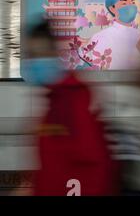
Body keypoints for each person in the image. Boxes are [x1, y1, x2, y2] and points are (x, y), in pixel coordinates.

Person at [23, 20, 117, 196]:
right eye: (30, 55)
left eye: (39, 54)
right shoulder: (52, 102)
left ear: (54, 54)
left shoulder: (75, 98)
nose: (33, 62)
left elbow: (96, 165)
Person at [90, 0, 140, 69]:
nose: (130, 7)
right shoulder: (100, 38)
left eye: (133, 3)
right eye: (124, 3)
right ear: (112, 8)